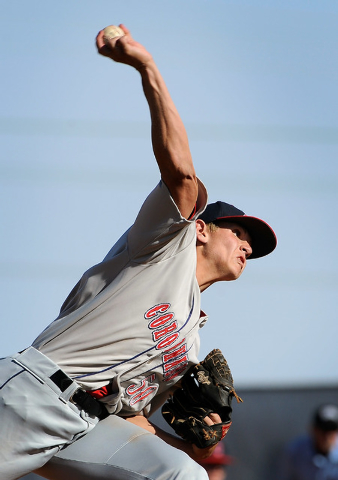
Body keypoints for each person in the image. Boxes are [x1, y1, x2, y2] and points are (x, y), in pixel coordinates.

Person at [0, 24, 277, 480]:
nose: (247, 245)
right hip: (34, 394)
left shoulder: (188, 345)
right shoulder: (165, 245)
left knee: (184, 476)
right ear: (203, 231)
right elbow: (183, 177)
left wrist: (192, 445)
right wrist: (146, 67)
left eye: (254, 245)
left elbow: (133, 419)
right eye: (239, 232)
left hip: (87, 426)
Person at [278, 404, 338, 480]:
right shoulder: (295, 451)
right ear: (313, 430)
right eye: (323, 430)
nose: (327, 436)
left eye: (331, 431)